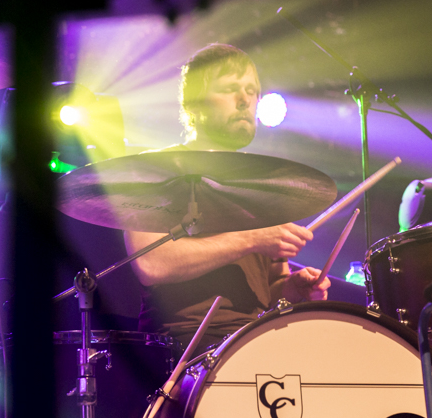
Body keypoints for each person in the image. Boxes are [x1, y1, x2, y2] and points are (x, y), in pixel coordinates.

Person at [124, 43, 330, 349]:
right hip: (183, 347)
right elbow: (152, 265)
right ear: (193, 103)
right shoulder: (155, 170)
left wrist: (292, 289)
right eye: (231, 88)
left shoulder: (266, 183)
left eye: (252, 90)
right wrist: (250, 239)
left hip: (254, 340)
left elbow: (268, 290)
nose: (245, 100)